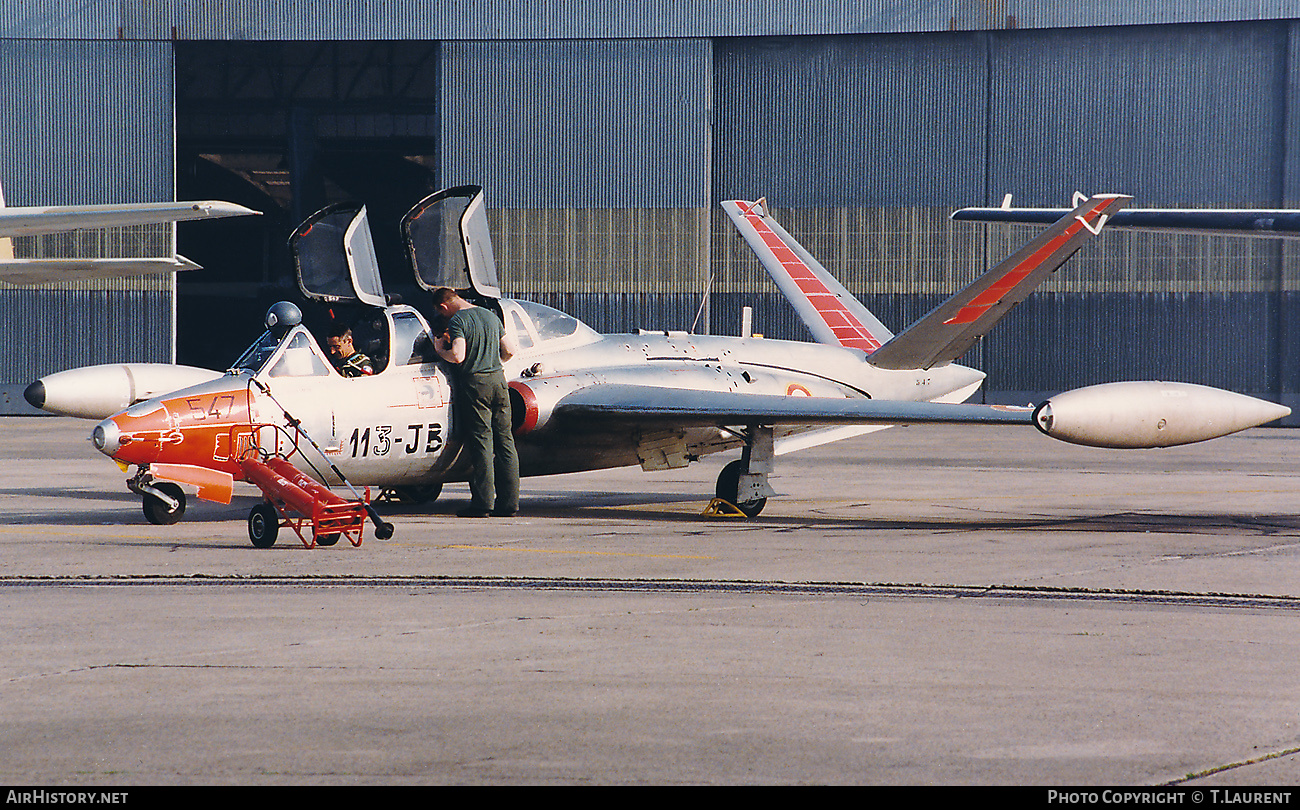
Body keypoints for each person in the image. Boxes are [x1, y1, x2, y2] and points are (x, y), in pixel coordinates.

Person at [432, 287, 519, 518]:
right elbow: (510, 350)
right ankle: (509, 503)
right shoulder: (490, 315)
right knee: (505, 441)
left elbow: (458, 356)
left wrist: (441, 350)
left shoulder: (459, 320)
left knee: (482, 442)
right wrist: (491, 359)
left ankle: (483, 503)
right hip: (499, 381)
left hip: (475, 383)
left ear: (443, 307)